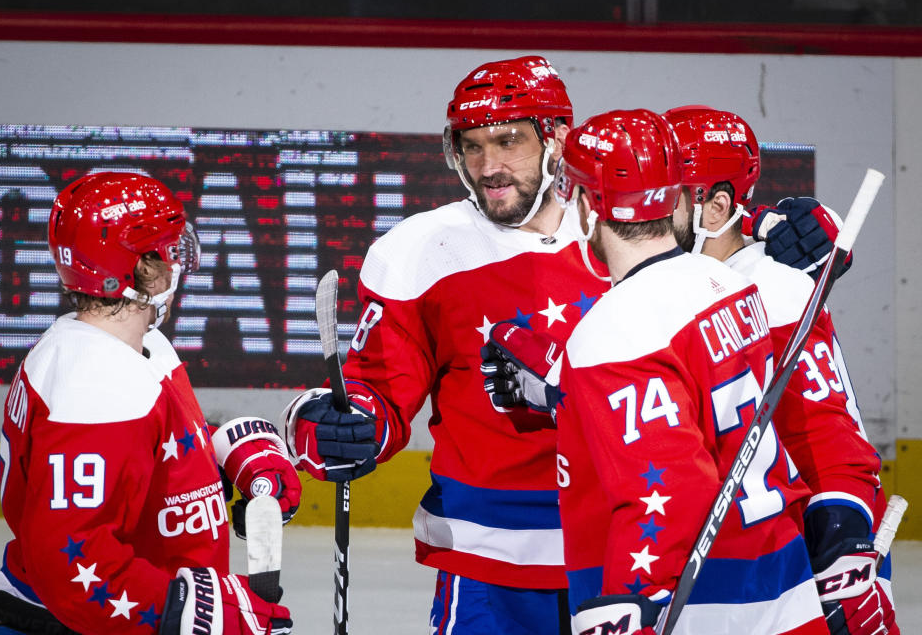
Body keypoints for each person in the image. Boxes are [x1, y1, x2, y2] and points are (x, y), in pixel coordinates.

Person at [280, 56, 843, 635]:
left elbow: (732, 243)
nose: (488, 166)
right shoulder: (418, 251)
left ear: (557, 141)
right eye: (471, 146)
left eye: (508, 141)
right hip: (487, 563)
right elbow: (376, 389)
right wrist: (339, 425)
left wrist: (801, 232)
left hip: (631, 552)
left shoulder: (624, 226)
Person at [0, 172, 301, 635]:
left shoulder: (128, 347)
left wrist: (224, 452)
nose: (177, 261)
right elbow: (73, 560)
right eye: (167, 248)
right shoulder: (93, 385)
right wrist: (187, 612)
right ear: (139, 266)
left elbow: (137, 463)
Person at [543, 108, 830, 634]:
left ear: (590, 208)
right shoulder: (730, 286)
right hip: (783, 586)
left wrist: (631, 601)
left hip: (700, 609)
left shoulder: (613, 332)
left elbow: (670, 489)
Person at [665, 105, 899, 635]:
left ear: (716, 204)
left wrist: (842, 547)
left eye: (666, 192)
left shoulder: (773, 289)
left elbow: (828, 438)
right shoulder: (665, 281)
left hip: (799, 572)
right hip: (717, 567)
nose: (643, 208)